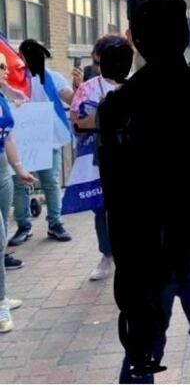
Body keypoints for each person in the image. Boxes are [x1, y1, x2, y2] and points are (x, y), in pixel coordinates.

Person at [97, 0, 190, 382]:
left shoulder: (117, 106)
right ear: (185, 35)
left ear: (133, 37)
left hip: (145, 255)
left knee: (143, 351)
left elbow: (115, 199)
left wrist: (126, 268)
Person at [64, 35, 133, 282]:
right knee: (102, 210)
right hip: (101, 159)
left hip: (136, 160)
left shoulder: (139, 84)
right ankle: (107, 255)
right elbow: (77, 125)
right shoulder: (89, 89)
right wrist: (106, 115)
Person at [7, 39, 75, 245]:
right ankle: (25, 226)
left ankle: (53, 223)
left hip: (47, 140)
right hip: (22, 141)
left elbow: (71, 99)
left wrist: (80, 88)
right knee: (23, 184)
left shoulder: (52, 78)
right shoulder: (15, 80)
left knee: (49, 183)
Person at [0, 52, 37, 332]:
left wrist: (20, 167)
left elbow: (8, 136)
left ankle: (1, 294)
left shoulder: (2, 97)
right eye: (1, 67)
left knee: (2, 236)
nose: (6, 70)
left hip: (4, 172)